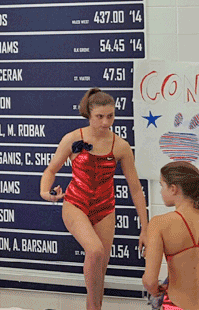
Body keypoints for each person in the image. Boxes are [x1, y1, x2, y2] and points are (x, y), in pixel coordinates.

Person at [40, 88, 148, 310]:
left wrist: (145, 227)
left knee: (101, 266)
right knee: (95, 250)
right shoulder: (72, 139)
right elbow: (50, 170)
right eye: (100, 116)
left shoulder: (120, 145)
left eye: (110, 116)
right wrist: (45, 192)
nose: (106, 122)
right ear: (89, 115)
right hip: (75, 203)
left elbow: (135, 189)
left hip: (105, 207)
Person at [142, 161, 199, 310]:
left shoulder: (159, 223)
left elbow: (150, 280)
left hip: (176, 305)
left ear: (173, 189)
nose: (160, 191)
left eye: (161, 185)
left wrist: (156, 290)